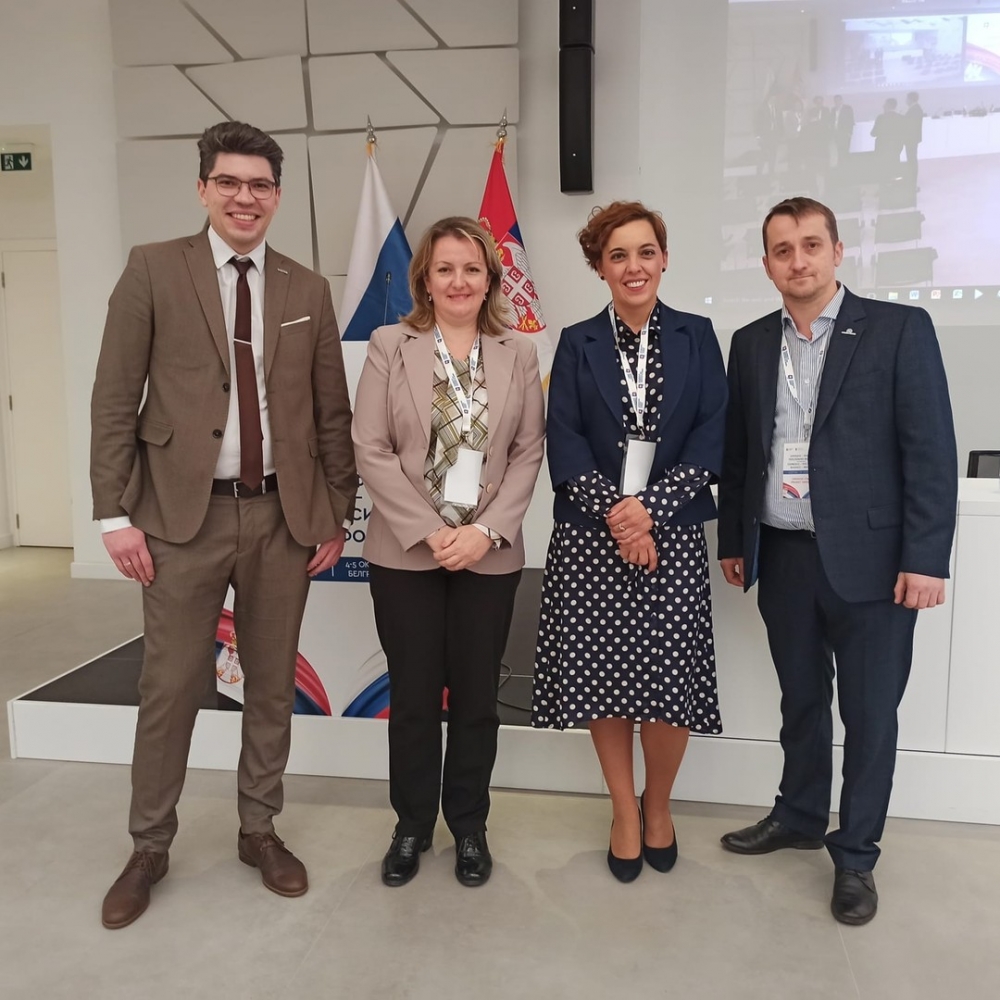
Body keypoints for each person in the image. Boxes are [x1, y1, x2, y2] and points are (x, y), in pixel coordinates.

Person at [91, 121, 356, 928]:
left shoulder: (307, 288)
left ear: (277, 196)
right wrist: (113, 513)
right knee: (171, 687)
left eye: (261, 185)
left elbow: (331, 412)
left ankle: (258, 829)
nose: (246, 198)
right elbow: (115, 396)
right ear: (204, 189)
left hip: (282, 516)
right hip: (180, 519)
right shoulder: (152, 268)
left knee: (272, 683)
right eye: (230, 183)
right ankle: (149, 845)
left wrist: (334, 510)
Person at [717, 196, 957, 926]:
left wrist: (926, 558)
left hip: (875, 564)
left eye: (811, 245)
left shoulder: (898, 330)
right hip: (785, 553)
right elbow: (741, 450)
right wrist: (735, 540)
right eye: (782, 250)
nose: (798, 261)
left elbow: (930, 452)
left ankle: (855, 856)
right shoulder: (751, 343)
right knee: (800, 700)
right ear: (767, 265)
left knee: (870, 713)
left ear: (837, 251)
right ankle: (797, 815)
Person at [531, 201, 728, 882]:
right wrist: (621, 518)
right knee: (603, 681)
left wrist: (650, 513)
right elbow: (564, 442)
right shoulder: (577, 341)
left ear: (664, 259)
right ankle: (622, 810)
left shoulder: (697, 335)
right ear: (600, 267)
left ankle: (658, 805)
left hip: (670, 539)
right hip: (591, 542)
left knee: (670, 682)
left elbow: (712, 435)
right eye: (618, 255)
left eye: (646, 252)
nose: (634, 266)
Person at [353, 216, 545, 889]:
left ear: (489, 279)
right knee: (411, 697)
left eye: (471, 268)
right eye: (445, 269)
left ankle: (468, 826)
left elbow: (528, 452)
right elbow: (370, 446)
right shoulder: (389, 344)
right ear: (425, 281)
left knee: (476, 698)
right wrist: (430, 531)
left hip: (487, 557)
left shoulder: (519, 352)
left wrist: (484, 532)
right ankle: (411, 825)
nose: (458, 280)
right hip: (406, 554)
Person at [870, 97, 905, 182]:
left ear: (888, 105)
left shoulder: (881, 118)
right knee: (894, 165)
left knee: (883, 168)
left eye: (884, 104)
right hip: (896, 146)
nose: (883, 106)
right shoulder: (901, 117)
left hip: (882, 147)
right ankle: (895, 183)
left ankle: (884, 185)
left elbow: (873, 133)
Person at [904, 91, 924, 182]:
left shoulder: (915, 109)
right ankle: (911, 179)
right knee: (911, 159)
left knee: (912, 159)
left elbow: (910, 124)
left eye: (907, 99)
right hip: (912, 138)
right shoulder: (915, 108)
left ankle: (912, 180)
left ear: (910, 99)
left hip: (911, 138)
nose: (906, 100)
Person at [832, 95, 855, 167]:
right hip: (836, 132)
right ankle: (840, 164)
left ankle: (846, 165)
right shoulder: (833, 109)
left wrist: (849, 132)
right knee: (838, 149)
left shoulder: (847, 108)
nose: (837, 102)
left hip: (845, 132)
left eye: (838, 100)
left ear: (841, 100)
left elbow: (851, 120)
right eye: (835, 100)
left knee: (845, 149)